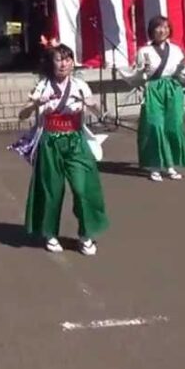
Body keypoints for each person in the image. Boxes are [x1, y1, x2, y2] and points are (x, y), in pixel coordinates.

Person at [13, 43, 108, 255]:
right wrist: (36, 104)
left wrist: (92, 104)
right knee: (51, 189)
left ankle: (87, 234)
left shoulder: (81, 86)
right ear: (51, 63)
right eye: (58, 59)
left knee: (83, 187)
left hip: (75, 140)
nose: (63, 63)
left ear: (73, 63)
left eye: (67, 59)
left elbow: (100, 112)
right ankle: (50, 233)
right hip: (50, 141)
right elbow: (22, 115)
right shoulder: (42, 86)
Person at [133, 16, 185, 182]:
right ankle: (154, 165)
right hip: (154, 88)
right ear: (152, 30)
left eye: (165, 27)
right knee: (155, 125)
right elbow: (140, 75)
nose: (162, 31)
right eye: (158, 27)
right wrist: (143, 72)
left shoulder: (176, 49)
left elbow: (179, 73)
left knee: (174, 125)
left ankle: (170, 165)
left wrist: (184, 68)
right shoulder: (144, 51)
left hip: (172, 88)